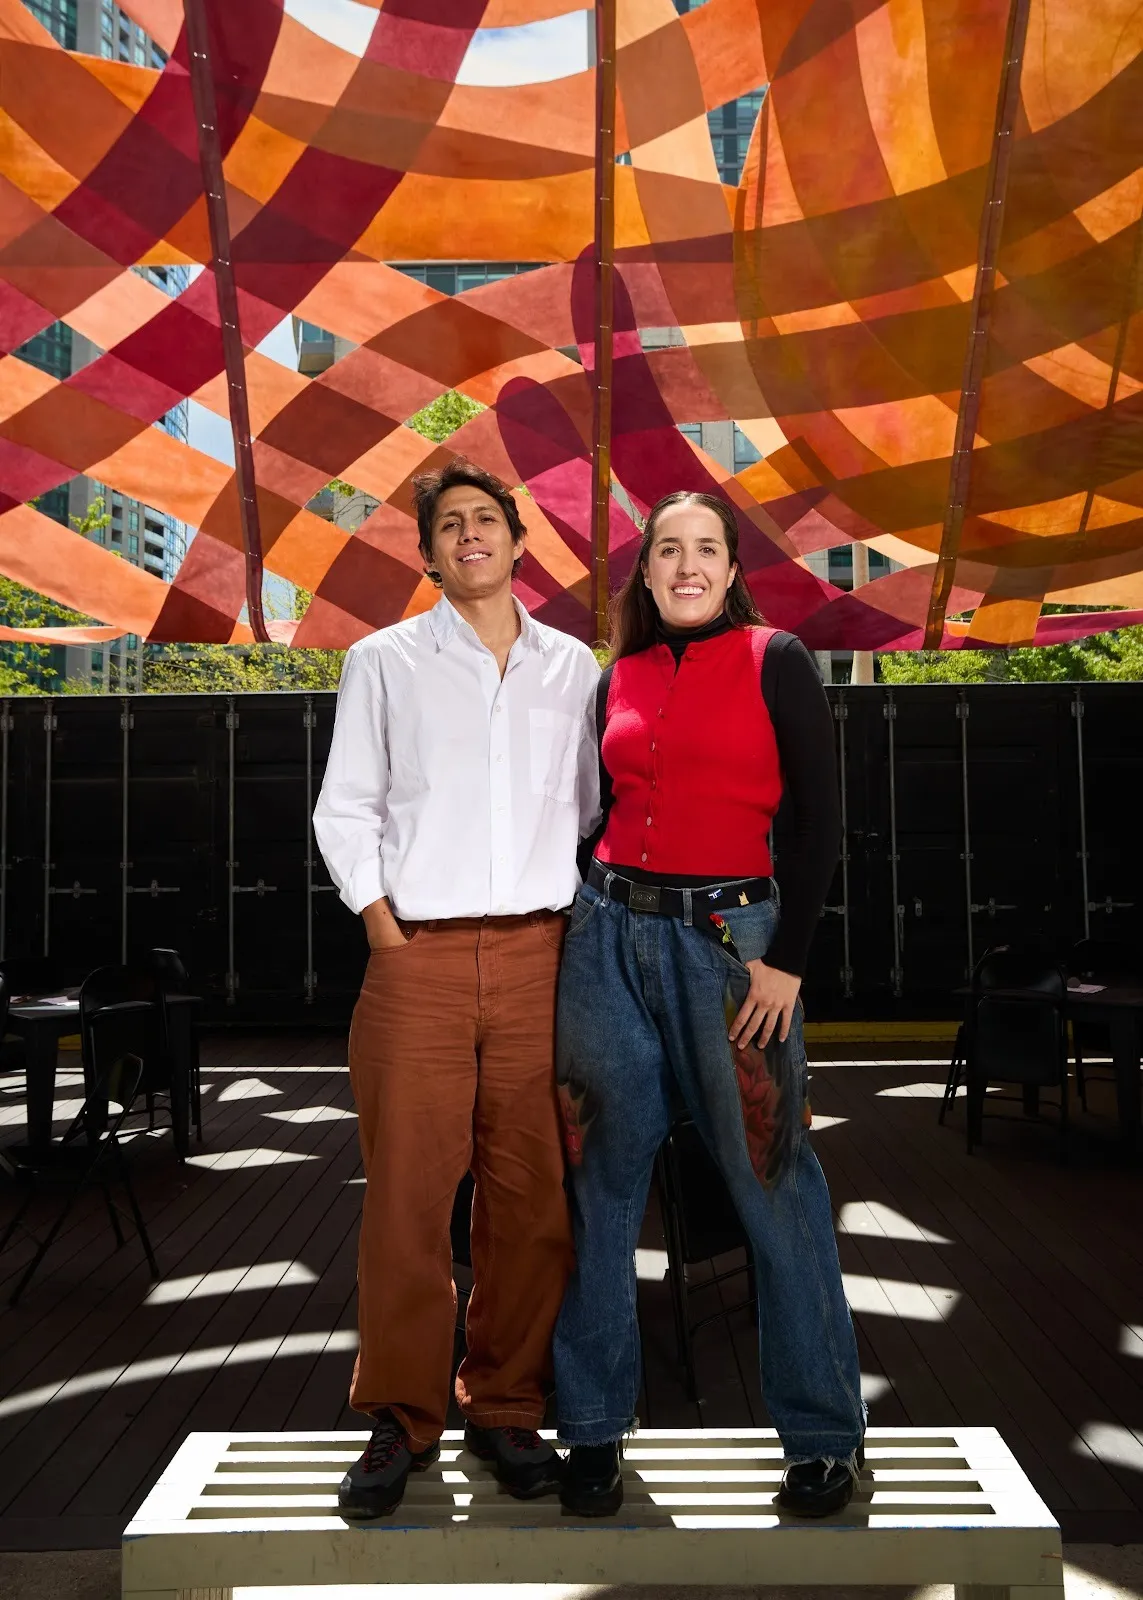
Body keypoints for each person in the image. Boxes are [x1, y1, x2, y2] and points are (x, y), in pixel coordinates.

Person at [553, 490, 865, 1518]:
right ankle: (591, 1427)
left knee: (772, 1177)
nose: (686, 566)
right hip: (606, 937)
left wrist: (788, 964)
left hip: (734, 951)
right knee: (598, 1183)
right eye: (667, 551)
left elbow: (817, 820)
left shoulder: (777, 659)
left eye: (705, 550)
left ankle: (821, 1437)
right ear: (645, 573)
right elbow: (594, 811)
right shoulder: (617, 676)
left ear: (731, 570)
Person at [314, 458, 600, 1519]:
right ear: (429, 553)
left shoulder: (574, 667)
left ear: (518, 540)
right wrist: (382, 927)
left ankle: (507, 1407)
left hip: (539, 957)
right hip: (417, 960)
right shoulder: (383, 661)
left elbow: (587, 808)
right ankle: (400, 1416)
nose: (469, 535)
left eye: (486, 519)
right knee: (406, 1201)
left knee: (532, 1202)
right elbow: (347, 806)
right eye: (449, 525)